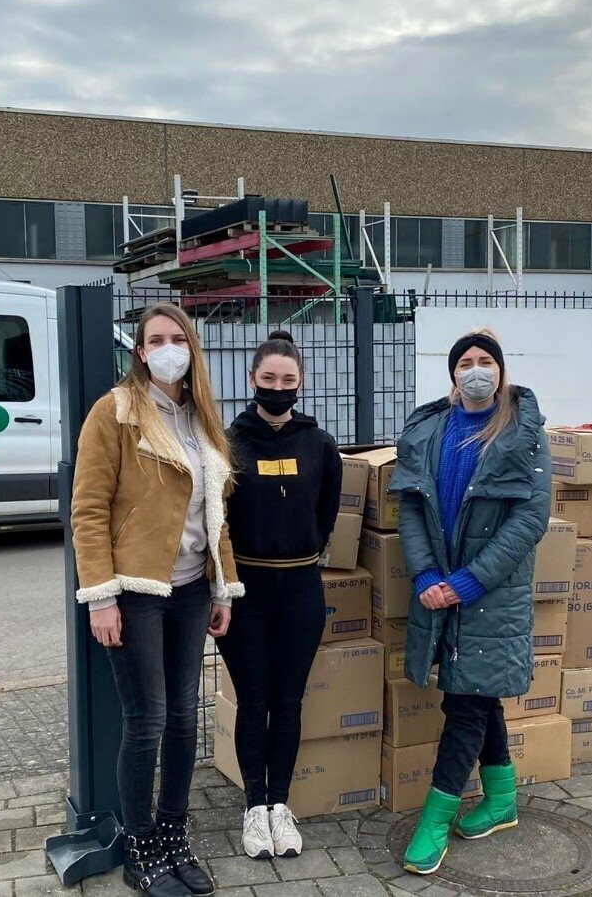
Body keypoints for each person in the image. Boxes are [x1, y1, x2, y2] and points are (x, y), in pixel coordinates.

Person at [70, 303, 245, 897]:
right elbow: (89, 510)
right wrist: (100, 598)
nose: (169, 348)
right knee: (146, 722)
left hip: (193, 588)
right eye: (156, 339)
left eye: (179, 338)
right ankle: (141, 847)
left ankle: (174, 836)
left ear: (192, 348)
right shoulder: (116, 412)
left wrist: (223, 587)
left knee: (182, 719)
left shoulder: (202, 416)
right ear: (140, 352)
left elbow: (216, 513)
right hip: (136, 590)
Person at [387, 328, 550, 876]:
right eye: (465, 362)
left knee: (465, 705)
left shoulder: (524, 432)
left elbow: (530, 519)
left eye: (486, 361)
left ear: (500, 371)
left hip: (491, 593)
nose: (476, 369)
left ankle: (434, 821)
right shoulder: (430, 428)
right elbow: (412, 506)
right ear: (453, 373)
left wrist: (469, 582)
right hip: (439, 585)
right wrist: (426, 573)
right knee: (476, 691)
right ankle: (502, 800)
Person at [217, 330, 343, 859]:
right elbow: (218, 520)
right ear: (252, 379)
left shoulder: (320, 445)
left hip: (300, 589)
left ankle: (280, 806)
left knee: (289, 702)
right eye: (268, 378)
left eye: (287, 379)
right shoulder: (227, 444)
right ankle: (253, 806)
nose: (277, 387)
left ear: (301, 383)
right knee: (254, 701)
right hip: (246, 592)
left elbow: (327, 514)